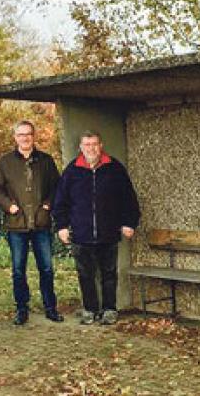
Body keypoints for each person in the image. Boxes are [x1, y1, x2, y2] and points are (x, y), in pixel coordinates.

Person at [52, 130, 140, 325]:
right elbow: (60, 201)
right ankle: (90, 309)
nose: (91, 148)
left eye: (94, 144)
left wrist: (129, 222)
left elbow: (129, 198)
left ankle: (109, 309)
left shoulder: (114, 168)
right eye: (87, 144)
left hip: (108, 232)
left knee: (109, 273)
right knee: (85, 274)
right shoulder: (72, 170)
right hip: (81, 233)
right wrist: (61, 226)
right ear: (80, 148)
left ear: (101, 146)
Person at [0, 120, 64, 325]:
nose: (25, 138)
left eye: (28, 134)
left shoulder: (46, 161)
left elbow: (57, 187)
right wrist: (8, 206)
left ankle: (51, 307)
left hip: (41, 223)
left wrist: (48, 205)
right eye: (21, 134)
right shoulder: (5, 162)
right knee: (18, 269)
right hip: (17, 224)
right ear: (15, 137)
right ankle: (21, 309)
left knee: (47, 268)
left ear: (33, 136)